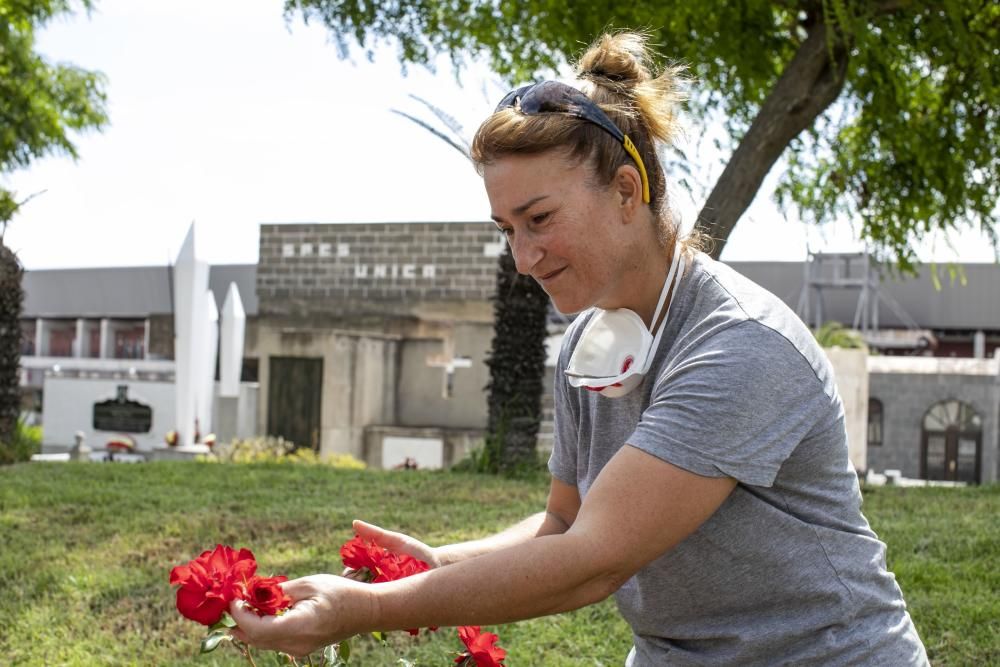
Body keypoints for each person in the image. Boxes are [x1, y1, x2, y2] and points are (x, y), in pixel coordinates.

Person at [231, 32, 929, 665]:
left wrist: (367, 610)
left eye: (539, 219)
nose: (523, 257)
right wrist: (438, 564)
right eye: (507, 228)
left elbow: (592, 561)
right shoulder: (584, 350)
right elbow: (564, 521)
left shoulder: (741, 347)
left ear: (627, 190)